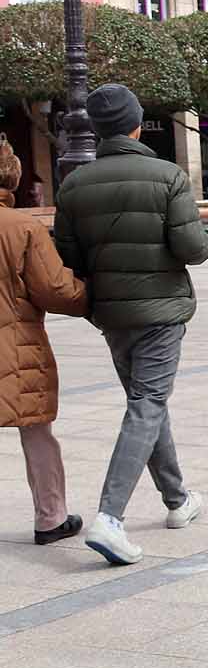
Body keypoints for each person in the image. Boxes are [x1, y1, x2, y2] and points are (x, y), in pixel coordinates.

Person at [53, 83, 208, 567]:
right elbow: (193, 248)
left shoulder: (75, 184)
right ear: (137, 124)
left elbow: (69, 256)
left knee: (146, 401)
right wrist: (205, 234)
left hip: (112, 314)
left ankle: (177, 499)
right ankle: (110, 518)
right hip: (161, 312)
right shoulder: (168, 176)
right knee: (147, 404)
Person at [1, 137, 89, 546]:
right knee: (36, 430)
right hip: (16, 347)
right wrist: (91, 293)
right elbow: (56, 290)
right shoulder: (21, 227)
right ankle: (50, 517)